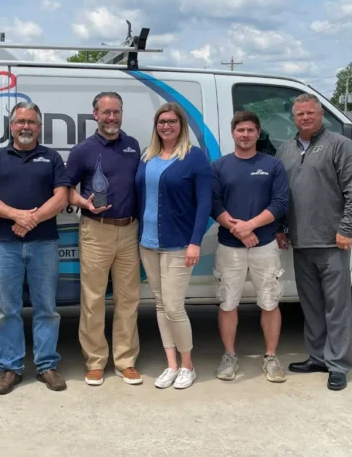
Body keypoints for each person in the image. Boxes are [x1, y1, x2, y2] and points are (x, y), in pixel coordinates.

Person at [0, 101, 70, 395]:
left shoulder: (52, 158)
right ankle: (11, 368)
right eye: (20, 122)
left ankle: (46, 366)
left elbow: (62, 198)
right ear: (11, 126)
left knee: (46, 308)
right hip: (4, 246)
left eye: (31, 122)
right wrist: (17, 216)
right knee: (7, 310)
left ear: (39, 127)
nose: (26, 127)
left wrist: (31, 220)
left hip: (44, 244)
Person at [276, 93, 352, 391]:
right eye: (299, 114)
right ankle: (317, 357)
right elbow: (281, 197)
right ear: (293, 117)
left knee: (336, 307)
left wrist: (346, 228)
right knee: (312, 306)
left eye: (310, 113)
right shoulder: (285, 150)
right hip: (300, 242)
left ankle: (338, 365)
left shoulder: (340, 145)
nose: (305, 117)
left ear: (320, 115)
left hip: (332, 242)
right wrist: (281, 227)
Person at [67, 92, 143, 387]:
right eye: (106, 112)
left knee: (128, 299)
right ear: (95, 114)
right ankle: (96, 361)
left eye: (116, 112)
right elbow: (65, 189)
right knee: (93, 299)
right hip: (95, 231)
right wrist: (84, 203)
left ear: (121, 114)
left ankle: (125, 361)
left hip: (128, 230)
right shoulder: (83, 150)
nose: (111, 118)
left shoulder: (133, 146)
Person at [135, 102, 212, 390]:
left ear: (181, 125)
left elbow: (204, 203)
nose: (166, 126)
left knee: (174, 307)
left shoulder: (194, 158)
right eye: (161, 121)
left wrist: (195, 242)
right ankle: (171, 365)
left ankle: (188, 366)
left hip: (179, 244)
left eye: (172, 121)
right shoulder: (147, 157)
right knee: (159, 304)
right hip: (148, 243)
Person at [211, 111, 289, 383]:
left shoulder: (272, 165)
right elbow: (214, 204)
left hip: (264, 245)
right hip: (229, 246)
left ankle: (270, 357)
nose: (245, 135)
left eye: (250, 130)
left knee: (269, 302)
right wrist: (238, 230)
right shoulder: (219, 166)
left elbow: (280, 203)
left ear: (258, 133)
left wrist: (251, 226)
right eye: (240, 130)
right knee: (228, 303)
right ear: (232, 133)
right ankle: (229, 355)